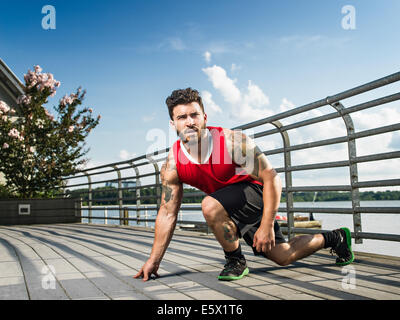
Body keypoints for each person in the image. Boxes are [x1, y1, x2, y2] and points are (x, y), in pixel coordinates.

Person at [134, 88, 354, 282]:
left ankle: (235, 260)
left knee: (209, 204)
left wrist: (267, 224)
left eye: (194, 115)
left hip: (257, 195)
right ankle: (336, 238)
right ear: (173, 123)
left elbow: (271, 178)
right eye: (182, 117)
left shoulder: (231, 142)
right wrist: (154, 260)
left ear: (204, 117)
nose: (189, 122)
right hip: (227, 206)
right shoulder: (173, 163)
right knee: (283, 255)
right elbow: (167, 213)